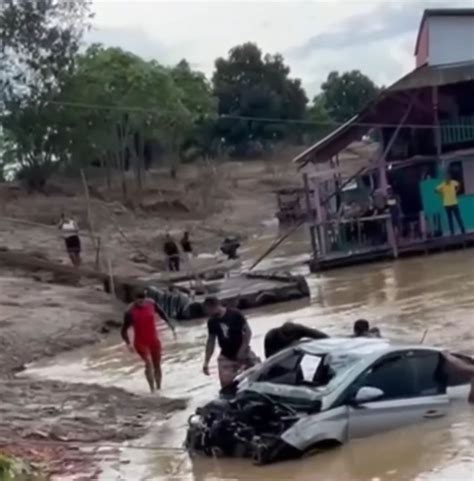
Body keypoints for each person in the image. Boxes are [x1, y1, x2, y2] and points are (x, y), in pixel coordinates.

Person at [121, 289, 176, 392]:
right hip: (140, 342)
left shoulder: (151, 303)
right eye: (138, 301)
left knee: (157, 365)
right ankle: (152, 389)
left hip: (154, 340)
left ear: (145, 299)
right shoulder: (129, 312)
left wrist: (170, 324)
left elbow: (162, 313)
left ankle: (159, 388)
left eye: (142, 300)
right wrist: (128, 343)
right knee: (148, 363)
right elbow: (123, 330)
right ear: (134, 300)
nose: (141, 303)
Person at [202, 297, 259, 388]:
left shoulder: (235, 314)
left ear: (213, 306)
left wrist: (242, 350)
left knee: (258, 374)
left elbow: (248, 332)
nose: (207, 313)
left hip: (244, 352)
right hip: (226, 356)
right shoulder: (212, 322)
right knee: (226, 386)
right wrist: (206, 362)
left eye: (207, 310)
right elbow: (211, 342)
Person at [264, 322, 328, 358]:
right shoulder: (271, 336)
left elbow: (320, 335)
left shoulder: (299, 329)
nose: (289, 339)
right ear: (280, 332)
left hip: (295, 349)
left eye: (291, 337)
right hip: (279, 352)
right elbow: (268, 357)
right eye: (286, 337)